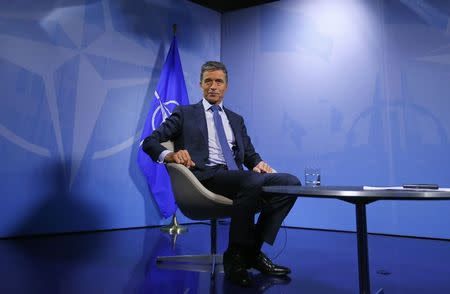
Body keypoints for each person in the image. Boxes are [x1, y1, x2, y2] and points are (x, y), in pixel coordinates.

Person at [142, 61, 301, 287]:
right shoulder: (185, 113)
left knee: (290, 182)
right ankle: (235, 258)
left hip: (239, 178)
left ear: (226, 86)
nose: (213, 86)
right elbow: (149, 141)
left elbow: (251, 157)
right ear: (200, 85)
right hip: (205, 178)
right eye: (208, 81)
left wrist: (260, 165)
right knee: (251, 180)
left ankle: (251, 252)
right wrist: (169, 156)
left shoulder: (236, 119)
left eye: (218, 81)